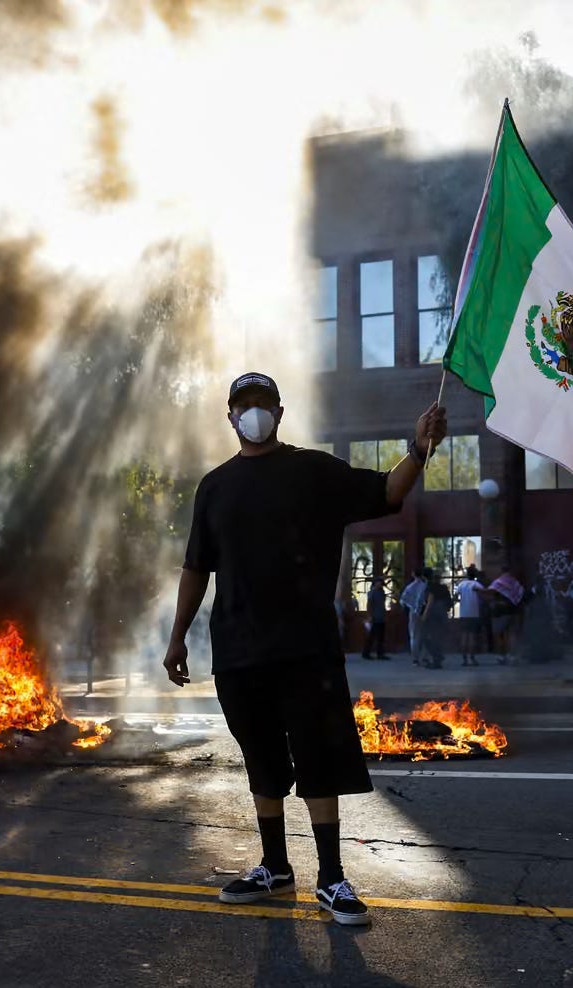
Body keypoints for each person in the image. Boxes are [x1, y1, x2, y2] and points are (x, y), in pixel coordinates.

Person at [163, 371, 447, 926]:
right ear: (229, 417)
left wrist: (419, 448)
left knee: (319, 759)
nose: (253, 412)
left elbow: (387, 492)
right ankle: (274, 866)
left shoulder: (313, 471)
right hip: (239, 651)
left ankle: (332, 878)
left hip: (305, 649)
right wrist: (177, 636)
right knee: (261, 760)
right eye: (242, 404)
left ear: (279, 411)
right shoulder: (214, 487)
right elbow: (197, 567)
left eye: (262, 403)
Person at [482, 566, 525, 664]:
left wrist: (478, 590)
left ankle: (502, 656)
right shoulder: (515, 582)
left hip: (500, 612)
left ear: (501, 571)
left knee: (498, 634)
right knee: (511, 634)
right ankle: (513, 656)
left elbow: (491, 591)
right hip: (513, 611)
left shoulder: (499, 582)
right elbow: (520, 593)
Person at [454, 565, 485, 666]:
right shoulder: (477, 585)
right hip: (474, 613)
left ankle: (464, 659)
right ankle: (472, 658)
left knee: (464, 636)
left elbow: (455, 597)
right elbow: (483, 595)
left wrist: (461, 600)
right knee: (472, 636)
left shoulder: (462, 585)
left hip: (464, 613)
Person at [399, 569, 429, 663]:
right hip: (425, 612)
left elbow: (403, 600)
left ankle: (415, 658)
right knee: (425, 634)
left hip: (413, 612)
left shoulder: (410, 587)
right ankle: (425, 656)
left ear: (413, 575)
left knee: (414, 635)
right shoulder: (425, 586)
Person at [362, 577, 388, 660]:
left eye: (380, 583)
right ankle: (366, 653)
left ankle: (380, 653)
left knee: (380, 637)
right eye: (378, 582)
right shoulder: (372, 592)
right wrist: (369, 616)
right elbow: (369, 604)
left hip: (381, 616)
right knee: (371, 636)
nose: (379, 584)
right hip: (374, 617)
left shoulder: (382, 592)